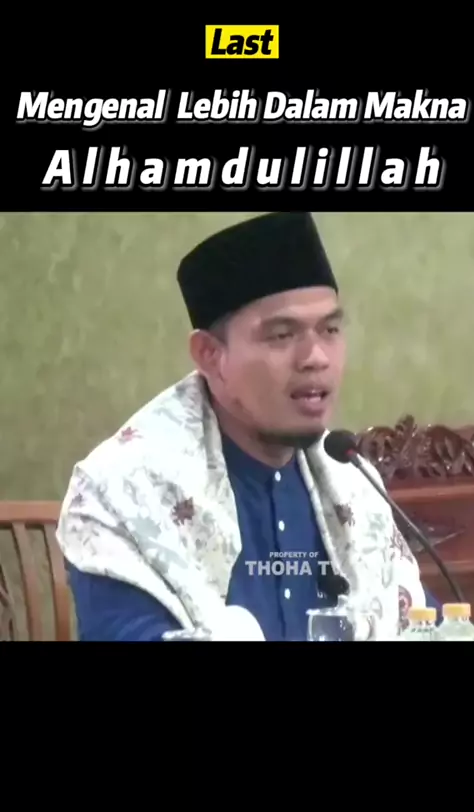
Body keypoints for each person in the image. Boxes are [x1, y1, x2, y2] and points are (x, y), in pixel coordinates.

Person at [56, 212, 434, 641]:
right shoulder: (124, 490)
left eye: (330, 329)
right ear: (210, 356)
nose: (316, 357)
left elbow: (427, 623)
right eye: (281, 335)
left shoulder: (352, 483)